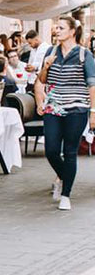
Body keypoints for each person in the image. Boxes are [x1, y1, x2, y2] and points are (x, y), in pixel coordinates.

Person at [35, 16, 95, 211]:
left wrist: (93, 112)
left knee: (70, 151)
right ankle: (64, 176)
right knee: (51, 150)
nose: (56, 31)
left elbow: (92, 85)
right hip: (53, 107)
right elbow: (42, 80)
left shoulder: (84, 55)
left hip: (77, 108)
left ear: (72, 32)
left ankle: (66, 194)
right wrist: (46, 66)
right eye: (55, 28)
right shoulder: (51, 52)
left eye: (60, 28)